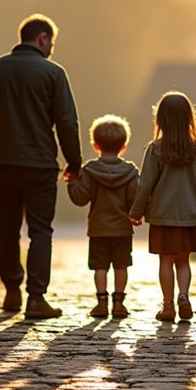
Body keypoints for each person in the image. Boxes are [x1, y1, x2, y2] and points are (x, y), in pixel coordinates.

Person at [0, 13, 82, 319]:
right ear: (42, 38)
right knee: (40, 231)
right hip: (40, 165)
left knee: (7, 228)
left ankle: (11, 292)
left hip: (2, 163)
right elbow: (67, 123)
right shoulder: (54, 73)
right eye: (52, 43)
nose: (52, 49)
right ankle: (36, 298)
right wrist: (74, 162)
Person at [128, 91, 196, 322]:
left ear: (161, 119)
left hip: (162, 216)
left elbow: (145, 184)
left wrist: (136, 212)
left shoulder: (155, 149)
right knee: (183, 261)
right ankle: (184, 297)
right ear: (189, 118)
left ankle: (168, 306)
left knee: (165, 261)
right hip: (189, 216)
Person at [67, 115, 140, 318]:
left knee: (100, 267)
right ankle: (119, 304)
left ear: (95, 145)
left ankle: (101, 303)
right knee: (121, 266)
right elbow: (135, 198)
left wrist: (72, 182)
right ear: (123, 146)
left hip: (98, 229)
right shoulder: (130, 172)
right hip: (122, 230)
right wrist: (137, 214)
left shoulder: (89, 170)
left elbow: (81, 198)